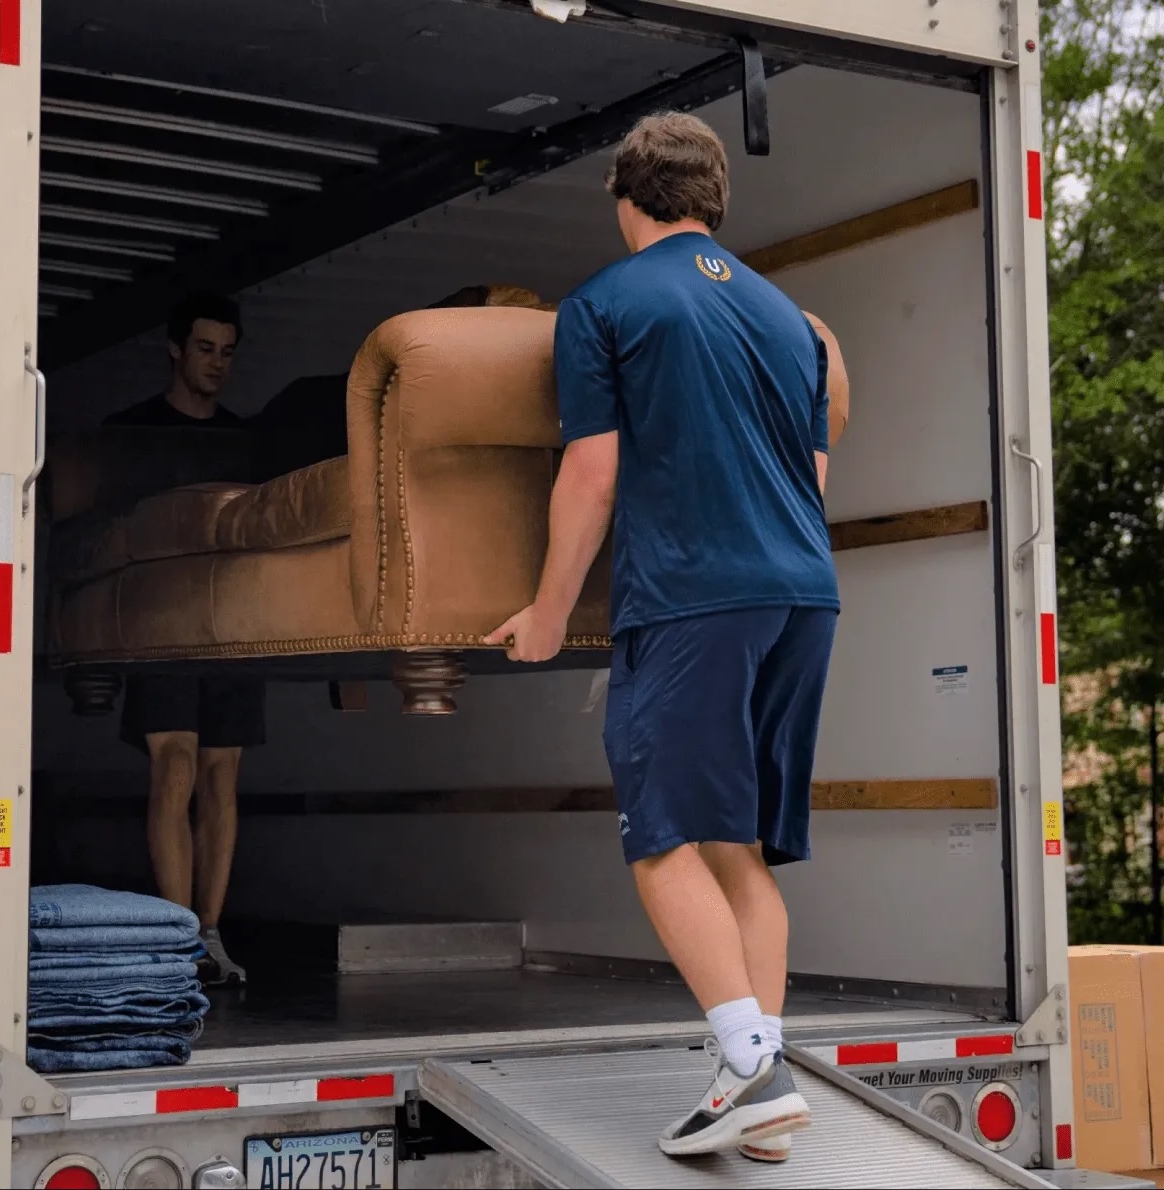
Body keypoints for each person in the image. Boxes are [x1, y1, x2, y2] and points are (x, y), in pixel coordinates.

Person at [484, 112, 839, 1162]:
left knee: (662, 835)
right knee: (740, 846)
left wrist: (549, 613)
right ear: (714, 202)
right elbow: (811, 479)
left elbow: (591, 472)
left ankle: (755, 1066)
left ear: (626, 199)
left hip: (692, 597)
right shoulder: (790, 318)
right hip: (804, 593)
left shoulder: (606, 301)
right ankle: (758, 1098)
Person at [104, 291, 263, 987]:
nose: (217, 363)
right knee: (174, 768)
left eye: (227, 351)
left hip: (232, 622)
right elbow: (104, 534)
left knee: (222, 776)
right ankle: (175, 945)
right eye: (204, 349)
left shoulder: (245, 441)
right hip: (164, 623)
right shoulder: (132, 430)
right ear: (174, 348)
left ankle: (210, 937)